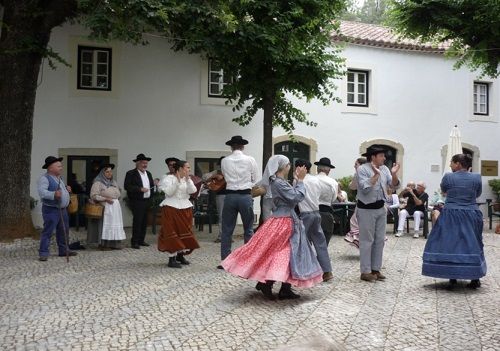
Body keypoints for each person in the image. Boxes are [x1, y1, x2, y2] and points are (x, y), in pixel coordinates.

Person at [222, 155, 323, 300]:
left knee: (288, 255)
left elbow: (292, 197)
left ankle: (281, 287)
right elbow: (296, 197)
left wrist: (296, 181)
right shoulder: (278, 183)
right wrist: (300, 181)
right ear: (283, 167)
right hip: (284, 222)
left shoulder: (279, 182)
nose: (290, 167)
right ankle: (269, 283)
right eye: (288, 164)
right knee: (282, 254)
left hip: (286, 220)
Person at [422, 154, 486, 289]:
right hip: (471, 213)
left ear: (458, 164)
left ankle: (452, 276)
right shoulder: (477, 177)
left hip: (451, 213)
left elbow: (444, 191)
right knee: (473, 243)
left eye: (452, 162)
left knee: (450, 243)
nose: (450, 165)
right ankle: (475, 277)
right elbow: (477, 193)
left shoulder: (448, 177)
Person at [356, 146, 400, 282]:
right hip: (366, 209)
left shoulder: (385, 169)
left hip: (381, 208)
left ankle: (375, 269)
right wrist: (375, 175)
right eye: (381, 156)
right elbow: (364, 187)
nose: (384, 158)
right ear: (373, 157)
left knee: (379, 240)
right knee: (366, 241)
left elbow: (394, 186)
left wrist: (393, 174)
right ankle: (365, 271)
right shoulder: (362, 169)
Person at [219, 135, 259, 266]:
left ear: (231, 146)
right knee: (248, 228)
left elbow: (225, 176)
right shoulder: (250, 159)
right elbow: (255, 179)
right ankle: (248, 260)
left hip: (230, 196)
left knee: (227, 229)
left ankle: (225, 260)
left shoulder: (225, 161)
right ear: (242, 146)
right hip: (245, 195)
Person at [295, 159, 333, 282]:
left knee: (300, 243)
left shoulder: (299, 181)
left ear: (299, 168)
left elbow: (295, 197)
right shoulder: (316, 180)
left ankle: (302, 270)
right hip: (316, 213)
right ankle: (327, 271)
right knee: (320, 243)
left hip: (305, 214)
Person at [157, 160, 200, 267]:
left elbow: (193, 191)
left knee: (184, 232)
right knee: (172, 232)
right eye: (187, 167)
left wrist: (188, 180)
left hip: (185, 208)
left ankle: (180, 255)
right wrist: (177, 181)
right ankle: (172, 259)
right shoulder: (168, 179)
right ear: (180, 169)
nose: (189, 170)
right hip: (171, 208)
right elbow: (169, 192)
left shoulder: (187, 179)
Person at [37, 156, 77, 261]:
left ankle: (64, 250)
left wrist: (67, 190)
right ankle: (43, 253)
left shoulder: (60, 178)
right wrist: (54, 194)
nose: (61, 167)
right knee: (48, 231)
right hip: (51, 210)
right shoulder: (44, 178)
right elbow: (42, 192)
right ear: (50, 168)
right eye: (58, 166)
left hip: (63, 209)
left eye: (61, 166)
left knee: (63, 230)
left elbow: (61, 191)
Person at [89, 164, 126, 250]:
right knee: (105, 225)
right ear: (102, 173)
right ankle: (103, 245)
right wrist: (105, 198)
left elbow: (118, 192)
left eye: (110, 171)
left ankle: (114, 244)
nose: (110, 173)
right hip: (105, 207)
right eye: (107, 172)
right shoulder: (97, 183)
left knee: (115, 225)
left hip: (115, 207)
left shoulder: (113, 182)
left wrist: (117, 195)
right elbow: (93, 195)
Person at [124, 153, 154, 249]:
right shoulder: (130, 173)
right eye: (143, 163)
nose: (145, 165)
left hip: (147, 200)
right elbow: (127, 186)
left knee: (145, 221)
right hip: (137, 201)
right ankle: (135, 242)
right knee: (138, 221)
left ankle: (141, 240)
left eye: (146, 163)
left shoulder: (148, 173)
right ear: (137, 163)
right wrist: (140, 189)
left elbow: (151, 186)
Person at [343, 157, 367, 248]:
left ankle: (361, 243)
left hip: (363, 204)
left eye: (356, 164)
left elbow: (352, 186)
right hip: (373, 205)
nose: (354, 166)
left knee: (355, 223)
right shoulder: (373, 173)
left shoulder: (359, 174)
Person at [202, 156, 227, 243]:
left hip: (232, 195)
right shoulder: (217, 171)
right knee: (221, 216)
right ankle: (221, 236)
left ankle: (228, 236)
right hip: (220, 195)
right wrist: (214, 176)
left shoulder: (232, 171)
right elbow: (204, 178)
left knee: (231, 216)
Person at [315, 157, 338, 246]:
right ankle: (322, 258)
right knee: (324, 240)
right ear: (328, 170)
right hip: (326, 212)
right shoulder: (333, 182)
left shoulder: (311, 180)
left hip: (312, 211)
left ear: (318, 168)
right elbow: (333, 198)